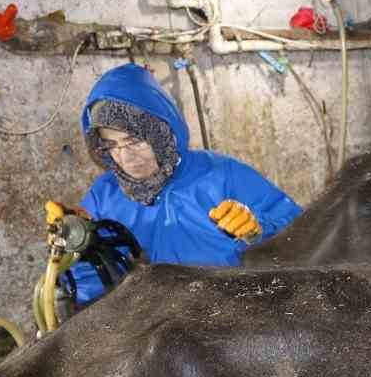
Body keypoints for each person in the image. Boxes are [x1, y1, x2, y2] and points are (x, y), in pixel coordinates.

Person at [62, 63, 303, 307]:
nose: (125, 157)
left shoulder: (222, 174)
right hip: (154, 329)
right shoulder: (104, 198)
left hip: (235, 315)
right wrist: (72, 245)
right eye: (111, 145)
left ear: (160, 131)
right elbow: (87, 291)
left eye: (133, 140)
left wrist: (258, 229)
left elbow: (300, 233)